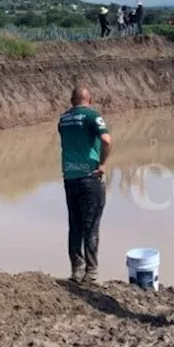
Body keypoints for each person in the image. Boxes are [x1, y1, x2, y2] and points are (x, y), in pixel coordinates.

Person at [58, 86, 112, 284]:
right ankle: (91, 273)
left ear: (72, 100)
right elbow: (106, 140)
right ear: (90, 100)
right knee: (91, 227)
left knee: (75, 225)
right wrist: (103, 164)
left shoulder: (63, 119)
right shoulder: (92, 117)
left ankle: (76, 270)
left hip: (70, 178)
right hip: (90, 178)